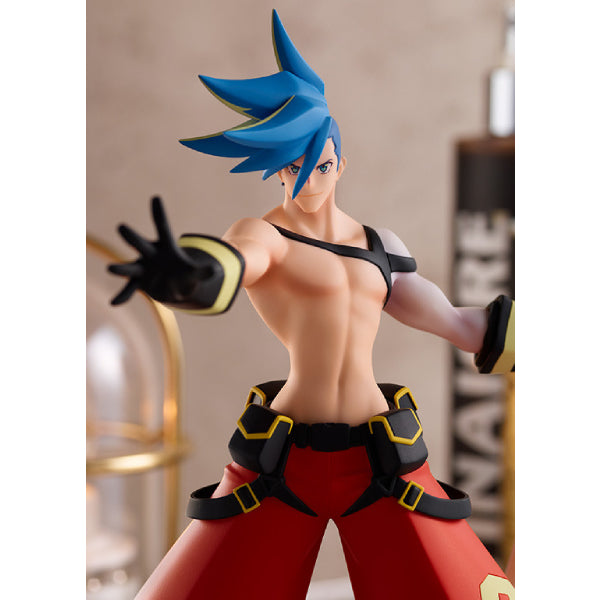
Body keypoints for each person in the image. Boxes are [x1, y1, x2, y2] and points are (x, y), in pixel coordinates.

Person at [109, 10, 515, 600]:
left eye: (320, 165)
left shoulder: (380, 246)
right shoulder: (266, 235)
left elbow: (456, 322)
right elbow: (233, 265)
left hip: (384, 460)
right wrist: (190, 276)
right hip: (282, 463)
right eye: (292, 168)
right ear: (275, 168)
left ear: (340, 162)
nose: (308, 182)